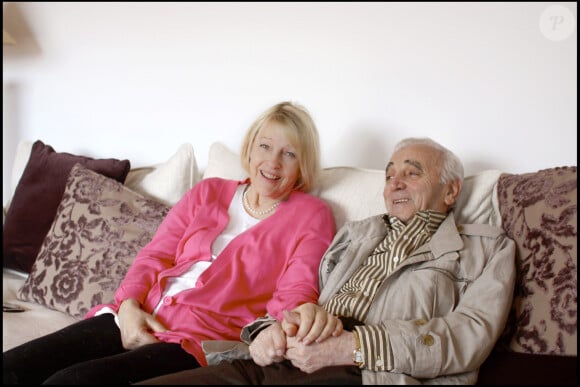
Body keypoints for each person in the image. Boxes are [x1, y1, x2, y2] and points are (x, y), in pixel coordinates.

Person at [2, 101, 337, 385]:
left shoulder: (311, 215)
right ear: (250, 147)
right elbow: (156, 253)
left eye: (289, 153)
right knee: (13, 368)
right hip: (138, 313)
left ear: (302, 166)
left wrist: (286, 326)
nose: (273, 162)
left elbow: (295, 294)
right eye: (265, 146)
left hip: (196, 339)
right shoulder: (209, 191)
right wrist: (130, 305)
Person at [136, 137, 517, 385]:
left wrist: (351, 346)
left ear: (451, 190)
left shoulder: (487, 249)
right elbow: (300, 297)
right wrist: (269, 330)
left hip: (366, 373)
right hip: (287, 357)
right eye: (389, 176)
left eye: (411, 174)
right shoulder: (356, 233)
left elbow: (469, 336)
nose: (395, 183)